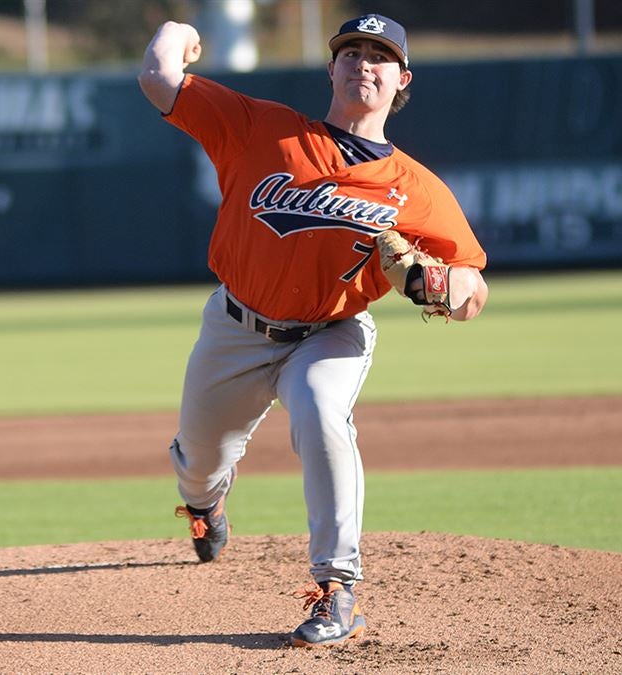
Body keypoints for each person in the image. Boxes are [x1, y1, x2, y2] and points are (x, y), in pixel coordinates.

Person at [139, 13, 488, 647]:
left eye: (379, 56)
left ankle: (337, 588)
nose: (363, 63)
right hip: (235, 328)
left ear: (401, 78)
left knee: (324, 414)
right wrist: (174, 28)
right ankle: (204, 507)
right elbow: (159, 78)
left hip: (331, 331)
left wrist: (439, 287)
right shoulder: (260, 129)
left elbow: (471, 289)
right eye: (351, 52)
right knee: (198, 463)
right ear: (331, 69)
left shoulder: (416, 188)